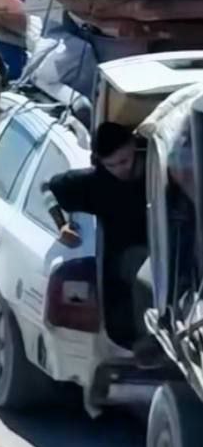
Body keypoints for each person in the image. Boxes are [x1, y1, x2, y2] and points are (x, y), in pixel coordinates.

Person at [43, 122, 152, 346]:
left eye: (124, 161)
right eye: (111, 165)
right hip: (126, 271)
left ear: (133, 147)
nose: (120, 169)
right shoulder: (97, 183)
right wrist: (61, 225)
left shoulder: (158, 168)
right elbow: (47, 189)